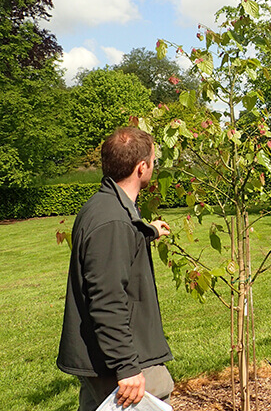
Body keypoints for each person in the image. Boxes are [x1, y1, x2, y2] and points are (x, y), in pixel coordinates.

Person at [57, 127, 173, 410]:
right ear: (141, 167)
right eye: (153, 161)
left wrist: (147, 232)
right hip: (121, 362)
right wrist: (128, 367)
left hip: (102, 359)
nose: (153, 167)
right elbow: (106, 299)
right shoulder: (112, 223)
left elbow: (115, 251)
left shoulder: (108, 208)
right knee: (160, 390)